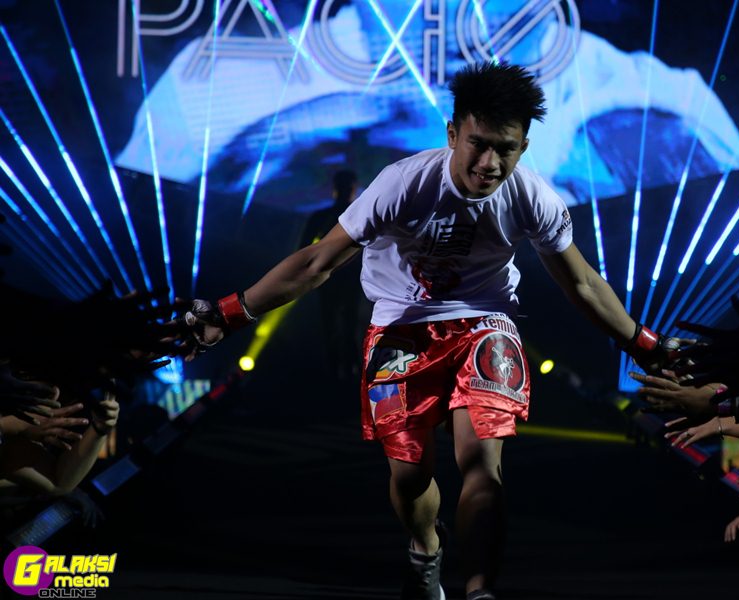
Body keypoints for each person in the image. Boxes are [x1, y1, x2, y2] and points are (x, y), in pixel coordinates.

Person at [182, 62, 676, 600]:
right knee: (409, 475)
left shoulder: (532, 196)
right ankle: (425, 549)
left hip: (485, 323)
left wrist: (643, 344)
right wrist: (229, 314)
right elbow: (317, 262)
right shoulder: (403, 182)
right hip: (401, 328)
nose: (489, 164)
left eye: (506, 149)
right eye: (478, 145)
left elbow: (581, 282)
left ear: (525, 147)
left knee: (482, 465)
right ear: (452, 134)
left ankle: (480, 590)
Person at [299, 170, 369, 382]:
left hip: (343, 278)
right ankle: (343, 371)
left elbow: (303, 250)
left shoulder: (354, 216)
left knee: (345, 324)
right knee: (340, 324)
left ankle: (345, 371)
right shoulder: (349, 216)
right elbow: (303, 250)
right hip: (334, 278)